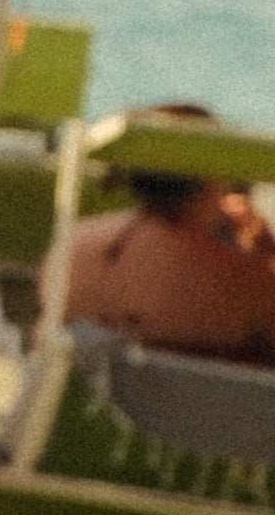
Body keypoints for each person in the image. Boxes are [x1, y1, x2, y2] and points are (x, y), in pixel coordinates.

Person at [62, 102, 275, 359]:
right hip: (202, 398)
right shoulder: (245, 279)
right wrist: (266, 256)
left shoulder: (73, 247)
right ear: (214, 178)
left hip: (89, 394)